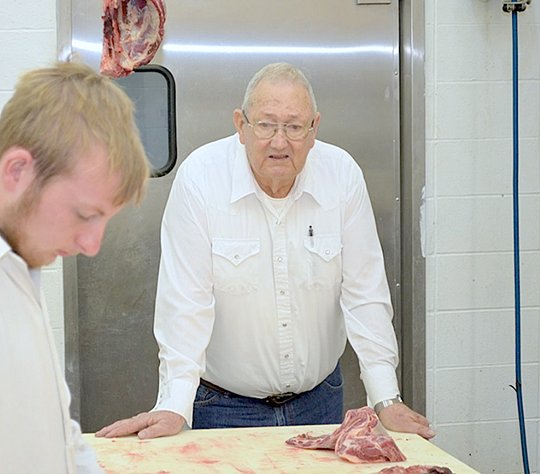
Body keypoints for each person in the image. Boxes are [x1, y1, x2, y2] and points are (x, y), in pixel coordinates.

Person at [97, 62, 434, 441]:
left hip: (320, 401)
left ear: (313, 129)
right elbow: (185, 304)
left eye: (293, 127)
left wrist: (386, 397)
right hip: (222, 406)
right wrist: (174, 405)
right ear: (241, 125)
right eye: (266, 125)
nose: (279, 141)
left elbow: (365, 296)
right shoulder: (201, 179)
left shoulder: (341, 175)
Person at [0, 61, 149, 473]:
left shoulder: (20, 263)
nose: (92, 245)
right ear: (17, 171)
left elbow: (58, 435)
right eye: (84, 214)